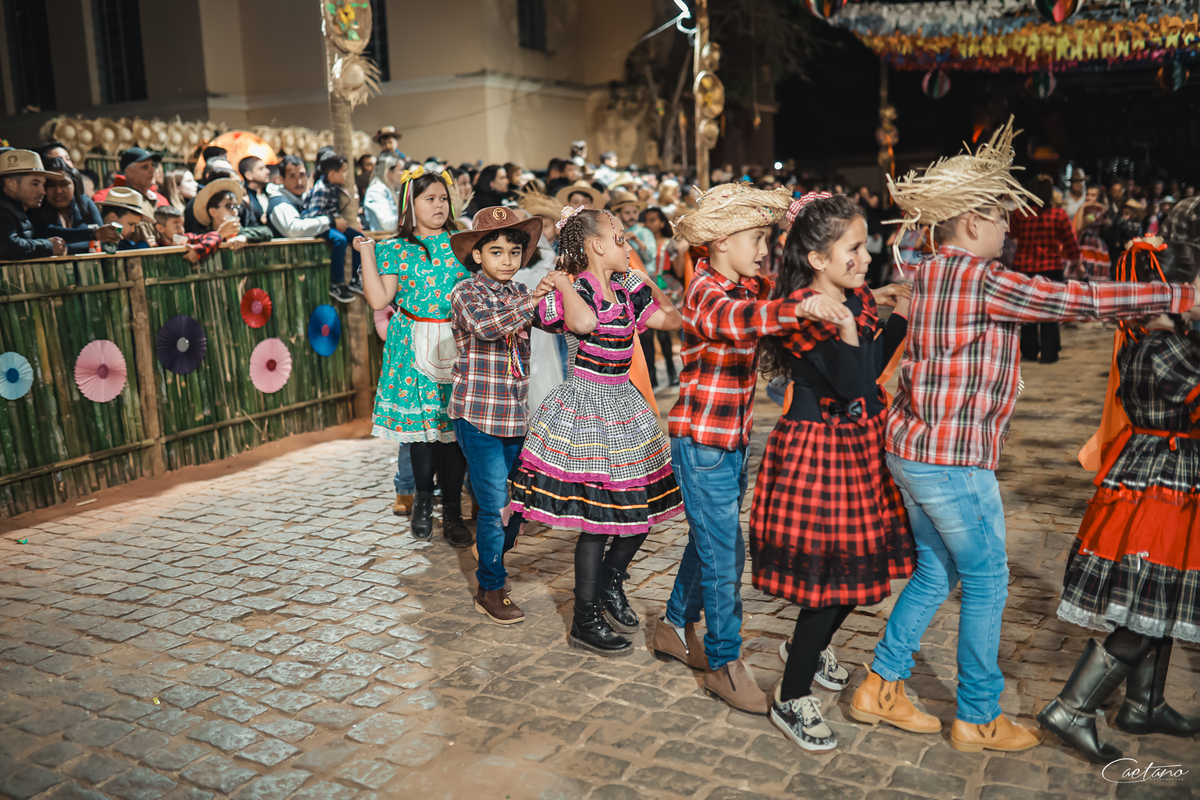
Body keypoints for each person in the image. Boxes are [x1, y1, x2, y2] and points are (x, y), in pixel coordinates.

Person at [848, 117, 1199, 755]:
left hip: (910, 449)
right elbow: (1075, 300)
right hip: (952, 460)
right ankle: (978, 716)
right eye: (1002, 219)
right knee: (987, 579)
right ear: (972, 223)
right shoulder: (983, 279)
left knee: (936, 569)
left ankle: (881, 685)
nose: (1010, 229)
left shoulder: (927, 270)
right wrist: (1180, 294)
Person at [652, 182, 852, 714]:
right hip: (701, 445)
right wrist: (802, 306)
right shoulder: (706, 291)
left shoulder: (750, 285)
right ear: (721, 241)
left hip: (731, 444)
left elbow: (782, 290)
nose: (764, 249)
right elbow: (742, 321)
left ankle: (672, 625)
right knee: (726, 556)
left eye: (765, 237)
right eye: (755, 238)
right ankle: (724, 663)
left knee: (707, 542)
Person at [750, 192, 914, 750]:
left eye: (865, 245)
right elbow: (853, 384)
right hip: (818, 453)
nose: (866, 257)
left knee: (859, 570)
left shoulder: (852, 297)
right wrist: (848, 327)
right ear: (818, 258)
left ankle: (809, 650)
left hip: (856, 446)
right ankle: (791, 695)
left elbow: (870, 366)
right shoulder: (807, 310)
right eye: (854, 248)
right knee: (829, 583)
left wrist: (899, 316)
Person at [1038, 223, 1200, 764]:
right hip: (1165, 485)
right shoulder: (1166, 348)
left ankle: (1144, 703)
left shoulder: (1152, 341)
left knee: (1161, 599)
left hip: (1156, 473)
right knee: (1142, 606)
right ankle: (1072, 708)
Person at [509, 206, 685, 656]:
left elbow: (672, 320)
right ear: (597, 246)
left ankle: (609, 581)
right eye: (620, 238)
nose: (628, 245)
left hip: (624, 405)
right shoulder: (576, 290)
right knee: (596, 521)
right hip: (586, 408)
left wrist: (648, 282)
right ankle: (584, 620)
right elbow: (584, 323)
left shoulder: (627, 290)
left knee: (640, 511)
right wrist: (563, 282)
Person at [444, 207, 558, 623]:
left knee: (523, 503)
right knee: (493, 508)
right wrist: (534, 300)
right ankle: (490, 587)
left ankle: (491, 552)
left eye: (514, 251)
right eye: (496, 251)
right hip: (477, 418)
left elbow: (557, 323)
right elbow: (488, 326)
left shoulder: (520, 292)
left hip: (515, 417)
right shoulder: (465, 292)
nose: (507, 260)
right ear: (477, 255)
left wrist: (567, 289)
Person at [355, 169, 472, 545]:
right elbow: (379, 299)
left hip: (457, 342)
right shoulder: (395, 248)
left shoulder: (463, 242)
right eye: (430, 199)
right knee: (422, 433)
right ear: (410, 203)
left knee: (454, 432)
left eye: (443, 198)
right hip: (412, 345)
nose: (439, 205)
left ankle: (452, 510)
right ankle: (422, 500)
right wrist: (367, 253)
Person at [1007, 174, 1082, 364]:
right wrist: (1074, 258)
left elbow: (1012, 233)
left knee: (1027, 310)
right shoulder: (1058, 214)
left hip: (1024, 267)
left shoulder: (1020, 214)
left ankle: (1029, 350)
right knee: (1050, 311)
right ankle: (1049, 352)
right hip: (1051, 267)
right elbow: (1070, 242)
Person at [516, 190, 571, 404]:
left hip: (541, 329)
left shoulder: (550, 260)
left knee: (543, 373)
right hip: (513, 326)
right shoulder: (499, 267)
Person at [303, 152, 363, 303]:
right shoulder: (321, 189)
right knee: (340, 240)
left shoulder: (334, 187)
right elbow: (313, 215)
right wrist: (333, 221)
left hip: (332, 224)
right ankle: (337, 283)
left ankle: (356, 278)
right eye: (343, 171)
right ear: (332, 174)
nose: (346, 175)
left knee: (359, 238)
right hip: (321, 227)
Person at [30, 157, 119, 255]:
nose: (58, 190)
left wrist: (67, 249)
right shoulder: (36, 208)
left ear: (75, 185)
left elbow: (102, 241)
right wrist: (93, 234)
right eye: (51, 185)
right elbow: (49, 232)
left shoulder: (85, 203)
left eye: (64, 184)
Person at [640, 207, 685, 387]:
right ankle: (652, 376)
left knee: (664, 334)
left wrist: (681, 253)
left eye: (653, 220)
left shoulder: (669, 243)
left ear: (661, 222)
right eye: (647, 220)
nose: (649, 224)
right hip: (644, 288)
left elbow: (679, 271)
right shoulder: (639, 241)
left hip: (665, 288)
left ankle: (671, 371)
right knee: (647, 335)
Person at [0, 150, 66, 260]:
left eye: (43, 184)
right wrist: (48, 246)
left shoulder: (16, 211)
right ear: (11, 184)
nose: (42, 191)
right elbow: (8, 247)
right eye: (35, 184)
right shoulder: (3, 212)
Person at [194, 178, 271, 250]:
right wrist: (219, 235)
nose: (235, 211)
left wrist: (244, 237)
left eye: (236, 206)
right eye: (229, 206)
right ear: (213, 212)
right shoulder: (203, 236)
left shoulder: (239, 231)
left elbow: (266, 231)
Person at [93, 147, 168, 209]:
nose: (153, 170)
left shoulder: (162, 201)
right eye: (145, 167)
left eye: (154, 165)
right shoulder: (104, 199)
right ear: (129, 172)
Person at [154, 206, 223, 264]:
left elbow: (215, 235)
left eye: (182, 225)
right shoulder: (156, 248)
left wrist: (197, 251)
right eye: (176, 226)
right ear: (160, 228)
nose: (182, 230)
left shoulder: (188, 239)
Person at [1073, 186, 1111, 281]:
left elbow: (1080, 226)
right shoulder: (1090, 210)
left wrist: (1082, 208)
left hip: (1092, 244)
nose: (1089, 197)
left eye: (1093, 195)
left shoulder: (1095, 213)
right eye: (1088, 194)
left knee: (1091, 274)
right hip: (1083, 242)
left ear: (1098, 198)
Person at [363, 152, 403, 233]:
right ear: (389, 171)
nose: (403, 173)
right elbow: (388, 225)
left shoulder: (390, 189)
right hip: (384, 239)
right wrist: (413, 217)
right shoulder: (376, 190)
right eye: (401, 169)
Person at [239, 156, 272, 227]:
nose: (267, 171)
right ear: (248, 175)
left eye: (265, 167)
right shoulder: (244, 198)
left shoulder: (270, 192)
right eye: (261, 169)